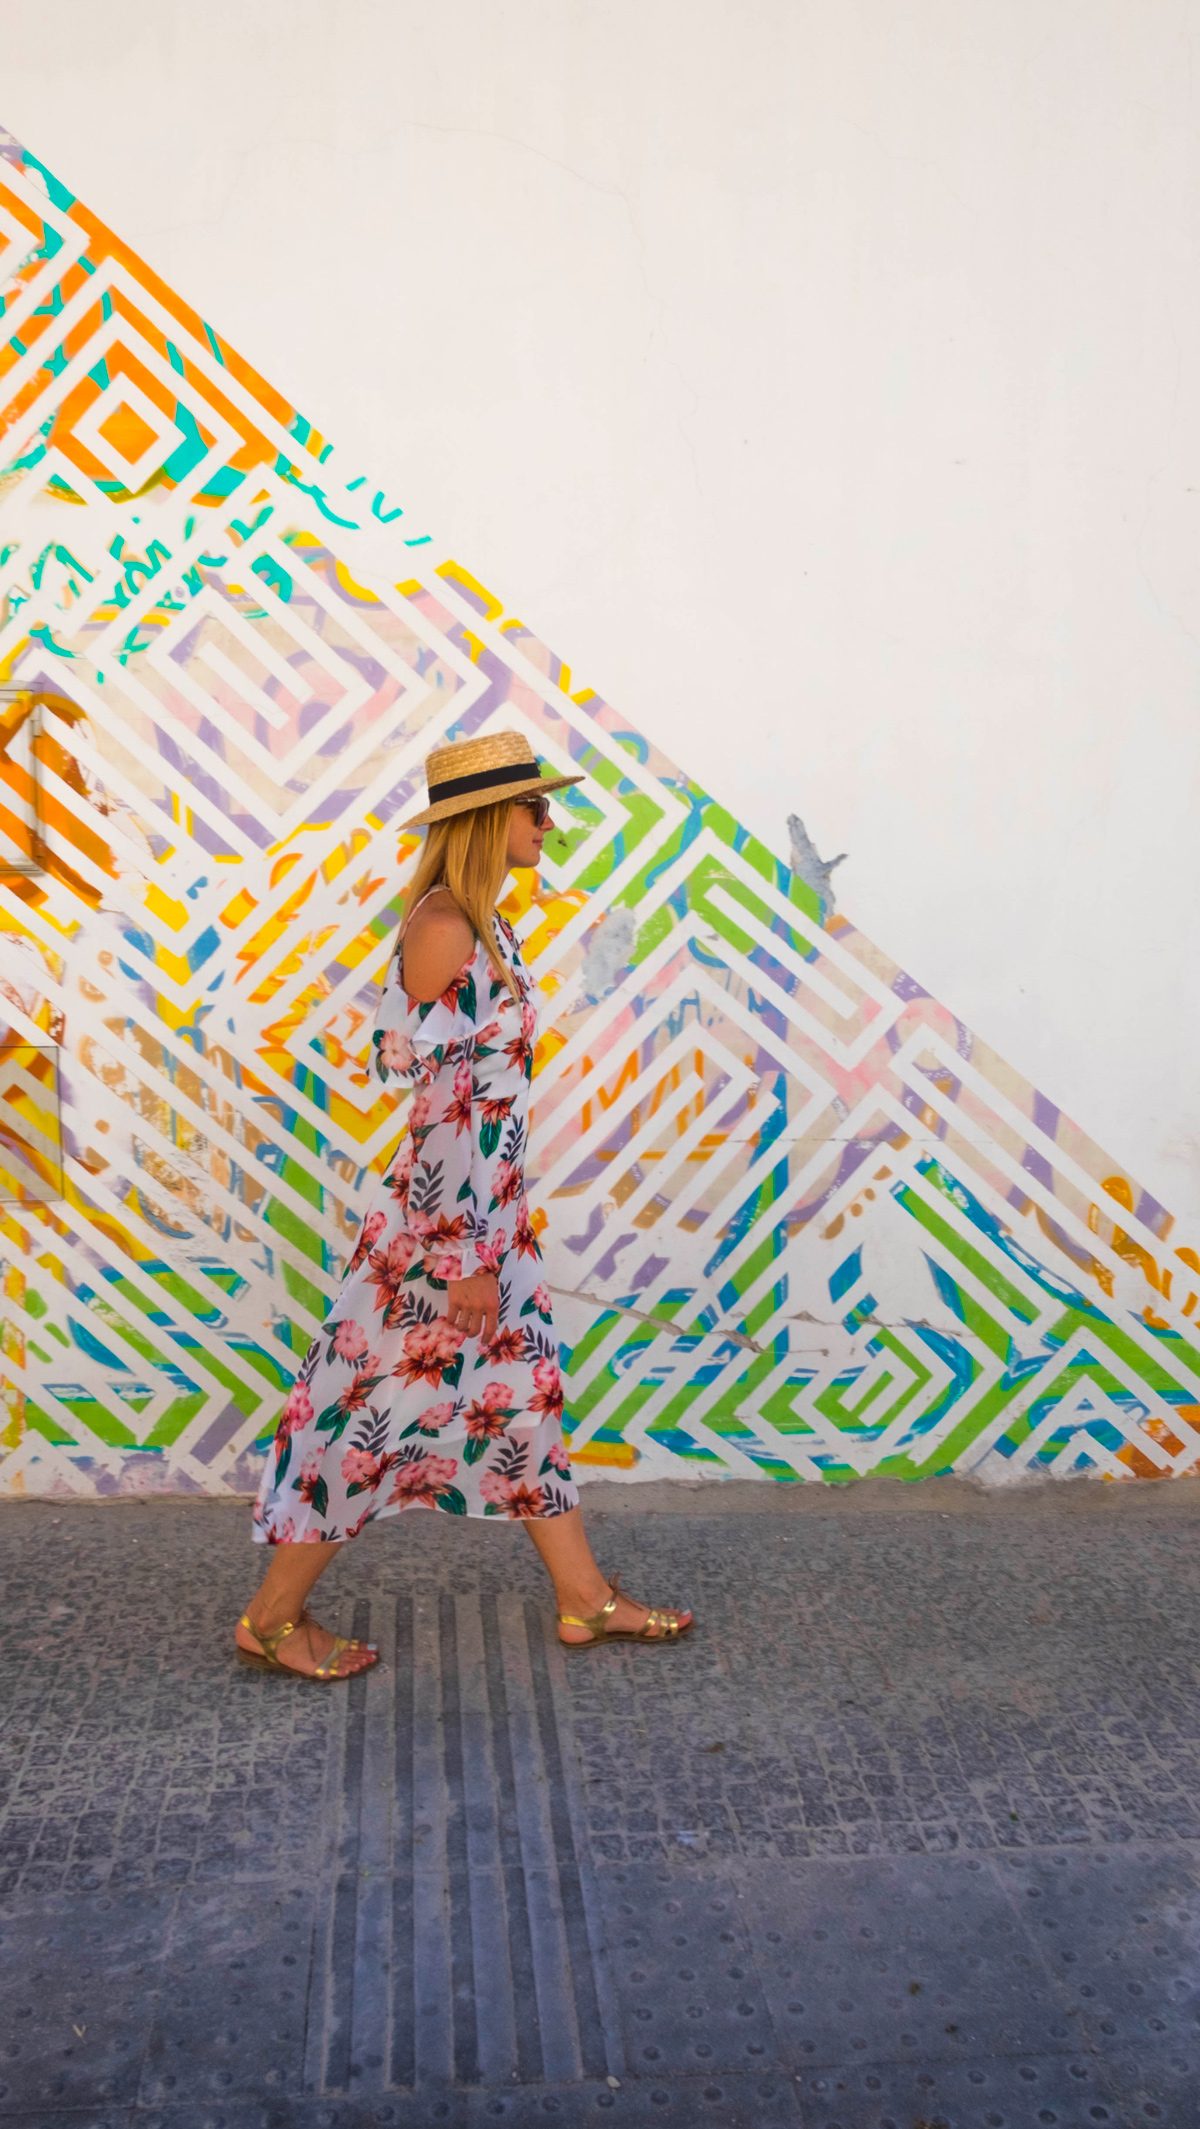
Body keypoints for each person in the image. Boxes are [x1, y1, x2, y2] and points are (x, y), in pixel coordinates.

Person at [235, 729, 693, 1679]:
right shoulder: (445, 925)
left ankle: (584, 1600)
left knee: (522, 1407)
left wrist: (493, 1237)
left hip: (488, 1222)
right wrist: (463, 1256)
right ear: (489, 819)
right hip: (447, 1236)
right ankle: (272, 1617)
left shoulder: (484, 921)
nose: (548, 821)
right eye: (535, 806)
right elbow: (439, 1106)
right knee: (364, 1420)